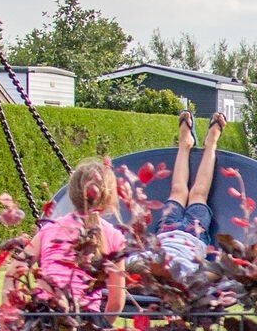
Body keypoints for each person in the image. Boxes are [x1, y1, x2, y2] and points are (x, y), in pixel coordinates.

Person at [33, 156, 128, 313]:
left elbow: (16, 267)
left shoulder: (50, 229)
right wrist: (101, 327)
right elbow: (116, 302)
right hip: (86, 321)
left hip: (45, 316)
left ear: (71, 193)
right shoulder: (114, 236)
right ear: (109, 197)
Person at [149, 108, 226, 278]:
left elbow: (126, 264)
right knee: (198, 194)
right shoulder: (185, 279)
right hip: (194, 233)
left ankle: (184, 145)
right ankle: (211, 144)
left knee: (177, 191)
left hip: (165, 229)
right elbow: (212, 274)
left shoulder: (147, 267)